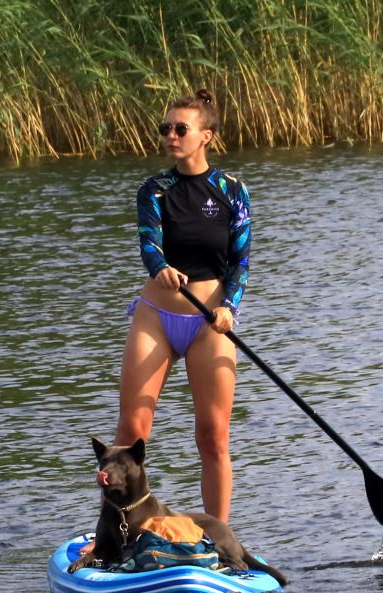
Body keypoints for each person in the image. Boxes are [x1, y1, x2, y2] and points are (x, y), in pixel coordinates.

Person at [113, 89, 252, 523]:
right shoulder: (154, 190)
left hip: (210, 324)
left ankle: (219, 537)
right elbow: (149, 245)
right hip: (157, 316)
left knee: (213, 438)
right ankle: (118, 530)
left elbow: (241, 261)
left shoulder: (232, 191)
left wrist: (229, 306)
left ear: (206, 136)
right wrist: (160, 268)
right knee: (132, 432)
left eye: (180, 129)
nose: (170, 136)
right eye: (165, 129)